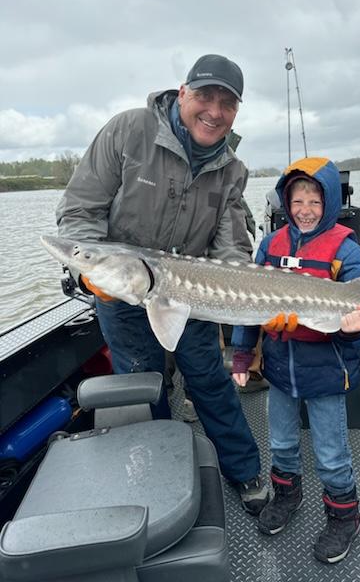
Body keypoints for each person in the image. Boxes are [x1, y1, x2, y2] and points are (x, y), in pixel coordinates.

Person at [56, 53, 270, 515]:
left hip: (189, 297)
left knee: (210, 381)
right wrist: (91, 274)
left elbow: (231, 248)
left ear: (236, 111)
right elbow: (78, 215)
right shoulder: (129, 131)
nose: (214, 111)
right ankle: (157, 481)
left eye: (227, 104)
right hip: (122, 293)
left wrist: (258, 300)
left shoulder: (232, 170)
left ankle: (244, 471)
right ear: (183, 91)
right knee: (143, 385)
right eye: (206, 97)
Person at [231, 157, 360, 564]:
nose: (305, 209)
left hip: (327, 371)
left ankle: (345, 515)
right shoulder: (269, 245)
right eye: (297, 201)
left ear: (329, 203)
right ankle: (288, 497)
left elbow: (359, 322)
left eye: (314, 201)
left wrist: (353, 327)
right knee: (281, 443)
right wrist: (242, 355)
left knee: (331, 452)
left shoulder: (346, 249)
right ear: (285, 203)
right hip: (279, 369)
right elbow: (244, 305)